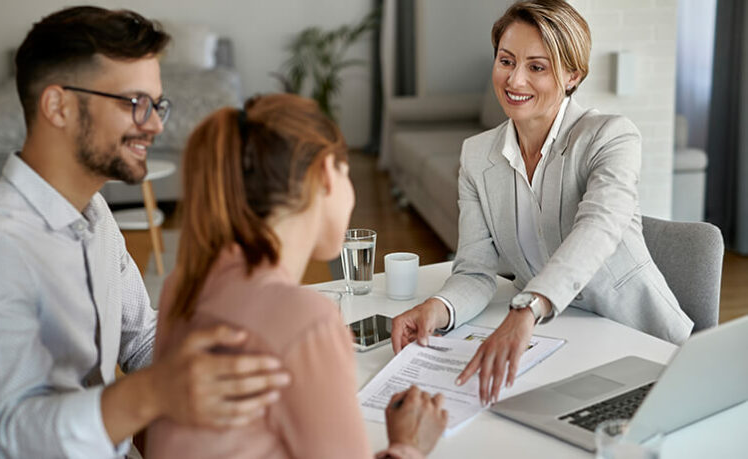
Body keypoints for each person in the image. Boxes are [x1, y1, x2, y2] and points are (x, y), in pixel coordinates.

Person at [0, 7, 291, 458]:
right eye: (133, 102)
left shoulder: (93, 213)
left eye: (157, 105)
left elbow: (141, 338)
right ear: (58, 106)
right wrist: (156, 390)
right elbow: (20, 437)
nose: (155, 124)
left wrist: (215, 371)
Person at [391, 0, 693, 407]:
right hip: (558, 344)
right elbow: (476, 270)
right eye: (506, 60)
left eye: (537, 66)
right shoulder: (477, 155)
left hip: (640, 347)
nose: (514, 79)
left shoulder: (611, 137)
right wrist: (438, 307)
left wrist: (527, 309)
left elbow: (598, 227)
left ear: (572, 75)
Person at [145, 93, 448, 459]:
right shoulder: (305, 319)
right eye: (346, 171)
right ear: (325, 175)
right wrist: (407, 446)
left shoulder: (182, 282)